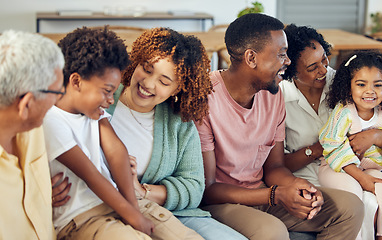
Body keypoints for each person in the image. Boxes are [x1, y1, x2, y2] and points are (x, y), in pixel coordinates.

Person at [50, 27, 247, 240]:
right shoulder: (96, 97)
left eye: (164, 82)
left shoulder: (177, 123)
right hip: (97, 209)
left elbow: (193, 186)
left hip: (146, 205)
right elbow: (90, 174)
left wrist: (141, 193)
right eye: (147, 69)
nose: (148, 83)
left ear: (177, 90)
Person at [194, 13, 364, 240]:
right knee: (272, 232)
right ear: (251, 58)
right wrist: (274, 195)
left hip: (264, 193)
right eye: (281, 54)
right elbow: (208, 189)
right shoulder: (204, 99)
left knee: (350, 207)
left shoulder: (272, 95)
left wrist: (299, 187)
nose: (288, 62)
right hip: (222, 202)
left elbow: (274, 166)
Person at [280, 24, 382, 240]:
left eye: (324, 59)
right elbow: (278, 164)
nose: (323, 69)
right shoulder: (279, 98)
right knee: (363, 204)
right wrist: (320, 149)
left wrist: (375, 136)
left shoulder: (346, 83)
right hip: (310, 178)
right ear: (292, 69)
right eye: (312, 67)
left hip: (354, 168)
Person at [42, 26, 154, 240]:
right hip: (79, 218)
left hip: (114, 204)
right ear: (76, 82)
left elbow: (116, 152)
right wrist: (133, 217)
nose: (111, 99)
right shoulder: (51, 120)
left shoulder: (92, 111)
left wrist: (133, 210)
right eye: (107, 90)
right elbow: (91, 175)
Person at [318, 51, 382, 240]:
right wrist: (360, 177)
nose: (370, 91)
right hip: (337, 169)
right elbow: (332, 145)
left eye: (377, 85)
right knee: (354, 193)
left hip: (367, 169)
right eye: (361, 85)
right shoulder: (344, 112)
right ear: (349, 87)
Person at [0, 30, 64, 239]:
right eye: (57, 93)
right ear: (26, 104)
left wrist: (41, 199)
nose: (58, 101)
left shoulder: (33, 126)